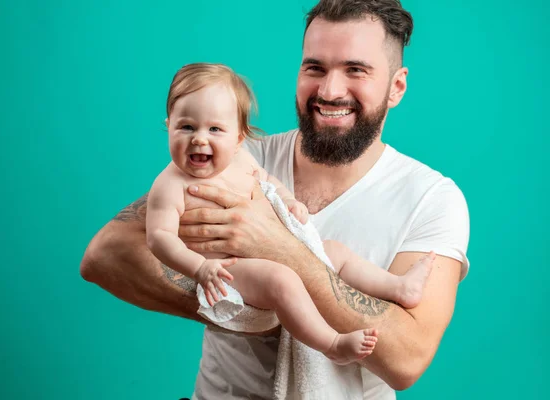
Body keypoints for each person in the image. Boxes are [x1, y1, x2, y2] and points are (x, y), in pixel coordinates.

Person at [80, 0, 470, 398]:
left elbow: (407, 358)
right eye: (314, 67)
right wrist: (252, 309)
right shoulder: (240, 155)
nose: (330, 90)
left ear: (397, 86)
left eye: (356, 70)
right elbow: (107, 255)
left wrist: (284, 252)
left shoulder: (431, 199)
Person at [146, 61, 436, 365]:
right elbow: (159, 238)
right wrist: (198, 268)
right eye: (186, 127)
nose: (199, 139)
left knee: (333, 253)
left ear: (238, 138)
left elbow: (268, 181)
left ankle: (399, 287)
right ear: (169, 125)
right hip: (228, 269)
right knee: (280, 279)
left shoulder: (242, 161)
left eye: (215, 129)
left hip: (269, 250)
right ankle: (331, 343)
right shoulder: (170, 186)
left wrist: (288, 200)